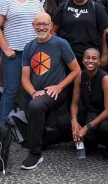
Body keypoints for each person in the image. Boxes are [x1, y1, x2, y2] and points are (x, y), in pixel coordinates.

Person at [20, 12, 80, 170]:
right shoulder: (29, 47)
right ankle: (51, 139)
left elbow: (76, 70)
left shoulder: (61, 44)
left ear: (51, 25)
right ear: (33, 26)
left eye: (45, 24)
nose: (41, 27)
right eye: (38, 24)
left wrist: (59, 86)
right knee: (34, 108)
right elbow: (25, 79)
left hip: (58, 92)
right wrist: (33, 92)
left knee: (35, 106)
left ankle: (35, 154)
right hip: (37, 93)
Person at [0, 0, 44, 124]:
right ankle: (1, 126)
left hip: (33, 53)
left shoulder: (36, 3)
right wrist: (6, 49)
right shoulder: (6, 1)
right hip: (14, 54)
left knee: (31, 91)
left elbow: (43, 25)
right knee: (10, 90)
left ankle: (30, 124)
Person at [56, 48, 108, 158]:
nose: (90, 61)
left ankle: (104, 144)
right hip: (90, 112)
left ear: (99, 62)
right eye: (87, 58)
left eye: (94, 58)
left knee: (106, 128)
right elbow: (74, 103)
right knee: (62, 122)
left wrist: (86, 127)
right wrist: (74, 121)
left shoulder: (105, 78)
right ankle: (88, 140)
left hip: (106, 115)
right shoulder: (80, 76)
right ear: (83, 61)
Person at [51, 0, 108, 67]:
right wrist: (55, 50)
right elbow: (53, 31)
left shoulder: (96, 7)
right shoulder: (63, 7)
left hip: (90, 56)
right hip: (67, 55)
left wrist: (104, 54)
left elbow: (105, 32)